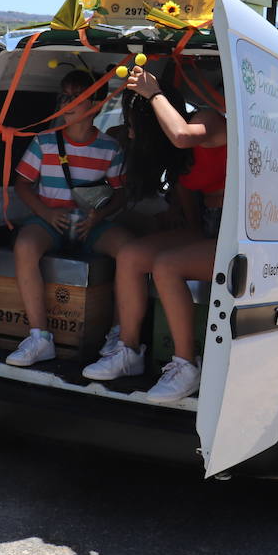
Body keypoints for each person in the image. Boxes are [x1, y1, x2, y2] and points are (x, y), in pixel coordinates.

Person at [82, 62, 226, 403]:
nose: (130, 134)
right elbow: (191, 212)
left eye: (133, 126)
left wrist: (154, 92)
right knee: (132, 256)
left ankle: (186, 365)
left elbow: (180, 136)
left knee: (167, 266)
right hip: (206, 224)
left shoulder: (205, 119)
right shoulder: (174, 159)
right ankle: (128, 350)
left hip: (237, 228)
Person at [5, 69, 132, 367]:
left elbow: (121, 193)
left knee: (129, 250)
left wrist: (98, 216)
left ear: (97, 105)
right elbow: (22, 184)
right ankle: (40, 338)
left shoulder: (110, 148)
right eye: (65, 96)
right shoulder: (44, 141)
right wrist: (46, 213)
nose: (68, 102)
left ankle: (119, 336)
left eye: (78, 97)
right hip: (49, 223)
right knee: (25, 246)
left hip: (91, 226)